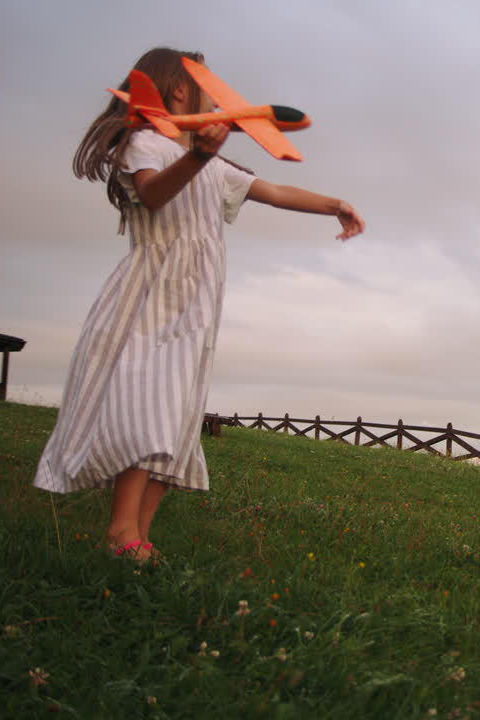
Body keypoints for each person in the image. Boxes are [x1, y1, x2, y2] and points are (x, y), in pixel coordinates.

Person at [33, 47, 365, 564]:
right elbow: (154, 194)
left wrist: (334, 204)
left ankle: (139, 535)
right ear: (181, 90)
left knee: (177, 416)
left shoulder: (214, 167)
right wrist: (198, 156)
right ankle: (121, 530)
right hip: (150, 293)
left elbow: (273, 190)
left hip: (195, 303)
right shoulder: (147, 144)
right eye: (208, 85)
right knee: (147, 405)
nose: (217, 95)